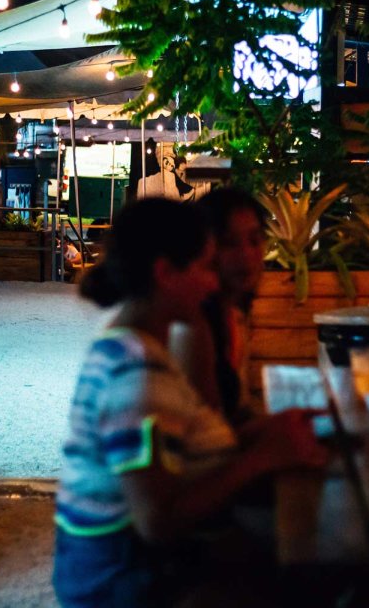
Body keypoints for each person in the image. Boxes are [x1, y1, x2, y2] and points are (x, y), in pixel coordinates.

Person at [53, 198, 328, 607]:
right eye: (203, 266)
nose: (213, 282)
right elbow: (157, 521)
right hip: (124, 578)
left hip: (128, 565)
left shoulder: (135, 347)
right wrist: (262, 457)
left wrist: (269, 435)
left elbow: (187, 445)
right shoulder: (137, 376)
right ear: (165, 273)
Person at [171, 187, 268, 424]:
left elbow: (234, 417)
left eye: (254, 240)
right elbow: (208, 437)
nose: (246, 254)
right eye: (229, 243)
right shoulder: (193, 328)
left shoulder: (232, 316)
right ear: (203, 249)